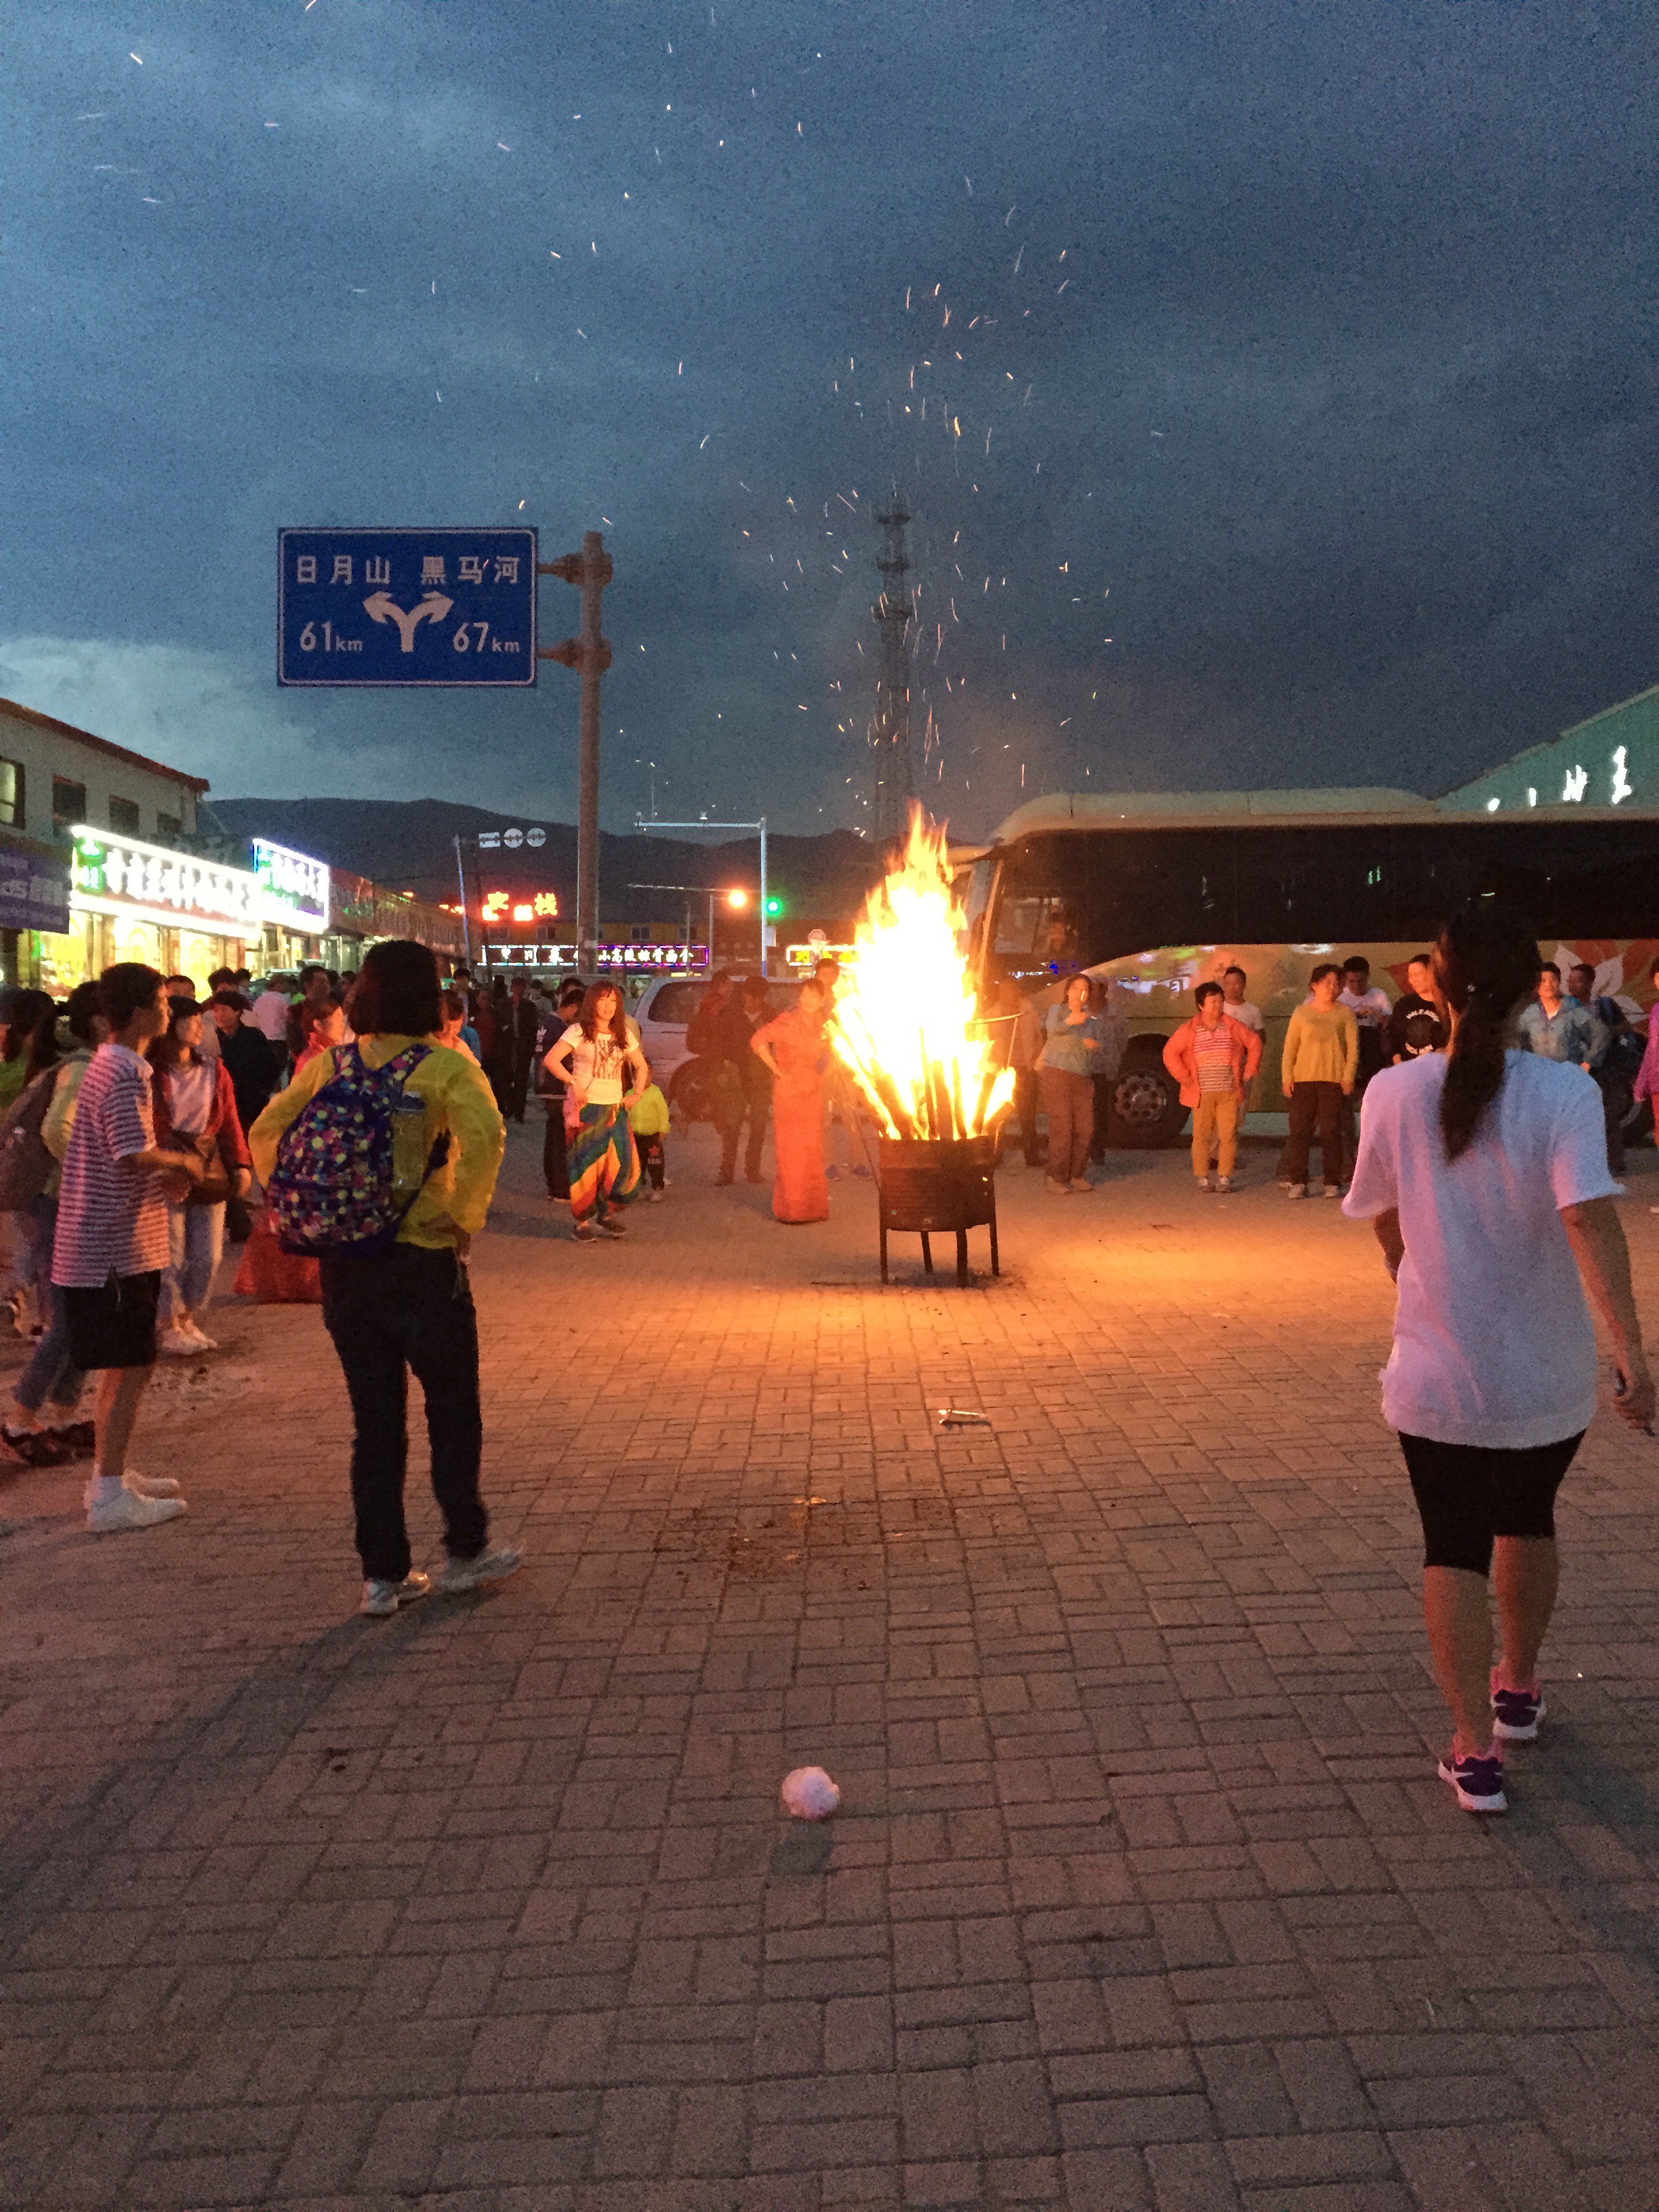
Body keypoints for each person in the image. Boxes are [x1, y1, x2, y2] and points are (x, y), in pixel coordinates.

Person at [1344, 901, 1654, 1815]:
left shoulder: (1393, 1094)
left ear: (1432, 983)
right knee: (1528, 1518)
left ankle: (1474, 1753)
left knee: (1453, 1545)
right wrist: (1632, 1350)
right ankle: (1515, 1688)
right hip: (1547, 1378)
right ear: (1532, 987)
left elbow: (1388, 1219)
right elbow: (1589, 1220)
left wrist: (1414, 1275)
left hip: (1437, 1372)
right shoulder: (1563, 1096)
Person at [249, 939, 516, 1616]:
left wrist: (297, 1201)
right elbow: (486, 1138)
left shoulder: (330, 1066)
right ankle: (464, 1548)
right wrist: (462, 1220)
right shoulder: (446, 1070)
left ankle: (382, 1574)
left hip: (346, 1267)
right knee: (452, 1411)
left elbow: (268, 1130)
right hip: (422, 1260)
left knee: (375, 1423)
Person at [52, 964, 206, 1533]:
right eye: (164, 1002)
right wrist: (182, 1162)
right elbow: (128, 1152)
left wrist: (164, 1173)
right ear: (140, 1011)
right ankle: (111, 1494)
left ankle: (108, 1475)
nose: (170, 1011)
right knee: (131, 1366)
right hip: (111, 1249)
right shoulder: (120, 1071)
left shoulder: (114, 1066)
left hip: (111, 1244)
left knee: (125, 1368)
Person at [2, 981, 104, 1467]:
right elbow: (57, 1129)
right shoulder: (84, 1070)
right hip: (57, 1204)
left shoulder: (89, 1065)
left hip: (63, 1203)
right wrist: (91, 1175)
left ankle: (62, 1414)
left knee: (84, 1316)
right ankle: (21, 1417)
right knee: (70, 1318)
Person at [148, 998, 250, 1356]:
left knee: (209, 1254)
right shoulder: (150, 1073)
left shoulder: (213, 1069)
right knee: (170, 1254)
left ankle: (188, 1316)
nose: (199, 1028)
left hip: (208, 1166)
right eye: (191, 1021)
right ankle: (169, 1324)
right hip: (167, 1168)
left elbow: (230, 1121)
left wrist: (241, 1164)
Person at [544, 982, 648, 1242]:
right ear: (592, 1002)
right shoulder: (578, 1031)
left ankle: (607, 1213)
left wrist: (636, 1094)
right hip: (587, 1109)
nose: (609, 1006)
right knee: (586, 1168)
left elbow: (641, 1066)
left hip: (615, 1108)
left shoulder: (622, 1034)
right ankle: (582, 1222)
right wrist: (572, 1083)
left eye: (614, 1001)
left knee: (626, 1167)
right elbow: (551, 1060)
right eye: (603, 1000)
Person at [0, 989, 63, 1334]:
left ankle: (21, 1306)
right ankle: (42, 1317)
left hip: (13, 1164)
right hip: (40, 1167)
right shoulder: (51, 1065)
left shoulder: (12, 1063)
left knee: (24, 1243)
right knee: (42, 1248)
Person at [1162, 980, 1263, 1193]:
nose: (1217, 1006)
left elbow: (1254, 1042)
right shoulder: (1190, 1029)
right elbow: (1170, 1053)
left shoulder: (1233, 1026)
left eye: (1220, 1001)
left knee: (1228, 1135)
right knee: (1201, 1136)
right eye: (1212, 1001)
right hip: (1201, 1093)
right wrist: (1184, 1077)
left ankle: (1224, 1177)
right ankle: (1202, 1177)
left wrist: (1249, 1071)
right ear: (1201, 1005)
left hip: (1229, 1092)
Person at [750, 977, 831, 1223]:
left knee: (811, 1149)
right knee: (791, 1150)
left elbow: (839, 1055)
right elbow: (758, 1041)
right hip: (789, 1091)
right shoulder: (787, 1020)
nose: (807, 1001)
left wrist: (823, 1078)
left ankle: (814, 1207)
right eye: (804, 995)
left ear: (822, 1000)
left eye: (814, 997)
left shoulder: (825, 1025)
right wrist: (776, 1069)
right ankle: (792, 1209)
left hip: (812, 1091)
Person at [1280, 963, 1358, 1196]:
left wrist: (1348, 1076)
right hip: (1303, 1080)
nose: (1332, 988)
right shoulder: (1301, 1013)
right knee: (1300, 1132)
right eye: (1327, 983)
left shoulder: (1345, 1014)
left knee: (1331, 1132)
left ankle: (1332, 1182)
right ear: (1314, 986)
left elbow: (1353, 1050)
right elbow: (1290, 1047)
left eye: (1337, 984)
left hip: (1333, 1081)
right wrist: (1287, 1077)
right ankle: (1297, 1181)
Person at [1568, 960, 1638, 1176]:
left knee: (1608, 1116)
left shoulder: (1605, 1006)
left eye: (1579, 980)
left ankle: (1615, 1164)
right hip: (1577, 1069)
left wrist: (1603, 1032)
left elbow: (1626, 1026)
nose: (1573, 985)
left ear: (1590, 982)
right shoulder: (1565, 1006)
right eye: (1570, 980)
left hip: (1606, 1068)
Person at [1039, 972, 1107, 1194]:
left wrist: (1093, 1045)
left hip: (1082, 1078)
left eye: (1085, 989)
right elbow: (1052, 1029)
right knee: (1063, 1129)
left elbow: (1100, 1044)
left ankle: (1077, 1174)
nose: (1081, 993)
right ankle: (1056, 1177)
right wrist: (1070, 1021)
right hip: (1057, 1074)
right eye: (1076, 988)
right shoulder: (1057, 1011)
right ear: (1068, 991)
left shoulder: (1091, 1019)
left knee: (1085, 1129)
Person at [716, 977, 773, 1187]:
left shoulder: (770, 1016)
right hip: (735, 1075)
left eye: (755, 997)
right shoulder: (730, 1014)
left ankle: (752, 1170)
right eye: (748, 996)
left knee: (758, 1126)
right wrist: (720, 1070)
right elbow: (719, 1045)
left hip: (760, 1077)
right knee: (732, 1127)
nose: (750, 1001)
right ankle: (726, 1171)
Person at [535, 979, 585, 1202]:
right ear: (572, 1008)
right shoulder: (559, 1028)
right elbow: (555, 1060)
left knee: (552, 1138)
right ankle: (561, 1188)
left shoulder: (547, 1023)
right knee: (559, 1141)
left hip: (547, 1088)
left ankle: (553, 1186)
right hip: (557, 1089)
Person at [209, 992, 279, 1143]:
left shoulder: (253, 1037)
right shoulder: (212, 1038)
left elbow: (270, 1067)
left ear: (237, 1011)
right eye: (216, 1010)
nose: (219, 1015)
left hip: (250, 1103)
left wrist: (260, 1092)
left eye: (224, 1010)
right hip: (223, 1104)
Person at [1516, 963, 1602, 1067]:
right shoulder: (1529, 1014)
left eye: (1553, 980)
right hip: (1540, 1075)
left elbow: (1601, 1034)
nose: (1549, 985)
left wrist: (1588, 1063)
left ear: (1560, 982)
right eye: (1544, 981)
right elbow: (1519, 1042)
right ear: (1537, 986)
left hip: (1568, 1076)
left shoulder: (1573, 1009)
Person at [1338, 956, 1393, 1096]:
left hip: (1373, 1047)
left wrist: (1376, 1013)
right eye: (1352, 982)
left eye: (1360, 981)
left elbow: (1390, 1025)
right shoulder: (1340, 997)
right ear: (1345, 980)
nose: (1356, 986)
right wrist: (1353, 1016)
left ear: (1367, 977)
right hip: (1348, 1046)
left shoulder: (1379, 995)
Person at [1387, 954, 1447, 1064]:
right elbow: (1393, 1036)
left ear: (1431, 973)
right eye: (1410, 976)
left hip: (1437, 1068)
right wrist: (1397, 1059)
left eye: (1417, 975)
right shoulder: (1404, 1005)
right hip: (1408, 1067)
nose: (1413, 980)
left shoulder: (1446, 1004)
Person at [628, 1076, 671, 1202]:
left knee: (655, 1163)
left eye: (648, 1075)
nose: (644, 1078)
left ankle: (657, 1189)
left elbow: (663, 1113)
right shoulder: (630, 1094)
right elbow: (625, 1114)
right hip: (636, 1136)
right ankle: (639, 1188)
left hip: (653, 1136)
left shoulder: (656, 1093)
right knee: (637, 1164)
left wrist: (664, 1129)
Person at [504, 978, 539, 1123]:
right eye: (517, 987)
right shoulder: (503, 1005)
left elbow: (533, 1028)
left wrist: (531, 1046)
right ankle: (509, 1107)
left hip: (523, 1047)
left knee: (522, 1080)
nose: (520, 990)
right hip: (507, 1048)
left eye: (522, 987)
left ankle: (519, 1112)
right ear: (512, 988)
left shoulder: (529, 1006)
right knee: (506, 1079)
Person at [293, 995, 347, 1075]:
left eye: (342, 1020)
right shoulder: (312, 1061)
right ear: (318, 1025)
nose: (342, 1026)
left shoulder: (334, 1052)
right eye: (337, 1019)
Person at [249, 975, 294, 1052]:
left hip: (263, 1037)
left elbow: (254, 1016)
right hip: (280, 1037)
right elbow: (290, 1017)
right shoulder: (284, 999)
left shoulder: (260, 1000)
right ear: (278, 984)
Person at [436, 988, 482, 1061]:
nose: (451, 1028)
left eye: (456, 1027)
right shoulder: (431, 1042)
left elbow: (476, 1063)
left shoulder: (469, 1036)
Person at [1220, 965, 1264, 1036]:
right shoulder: (1218, 1009)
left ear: (1244, 985)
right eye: (1228, 983)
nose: (1232, 987)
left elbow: (1260, 1039)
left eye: (1236, 983)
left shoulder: (1254, 1011)